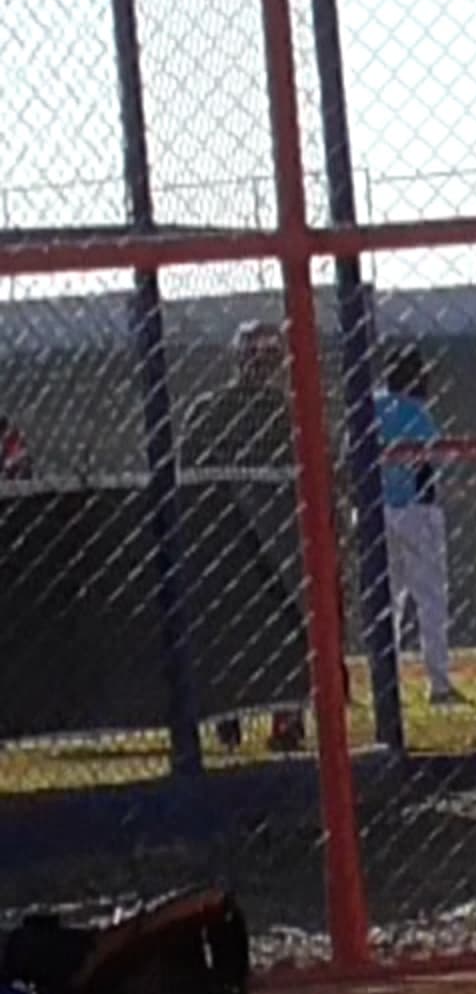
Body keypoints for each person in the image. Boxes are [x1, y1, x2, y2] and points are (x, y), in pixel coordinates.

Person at [179, 320, 306, 753]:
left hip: (241, 532)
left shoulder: (273, 410)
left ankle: (244, 717)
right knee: (273, 623)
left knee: (242, 625)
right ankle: (271, 718)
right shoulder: (279, 411)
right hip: (252, 533)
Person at [375, 343, 459, 706]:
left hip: (375, 512)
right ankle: (438, 683)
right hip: (418, 510)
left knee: (386, 602)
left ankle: (385, 682)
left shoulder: (372, 407)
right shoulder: (416, 412)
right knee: (430, 598)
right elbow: (434, 460)